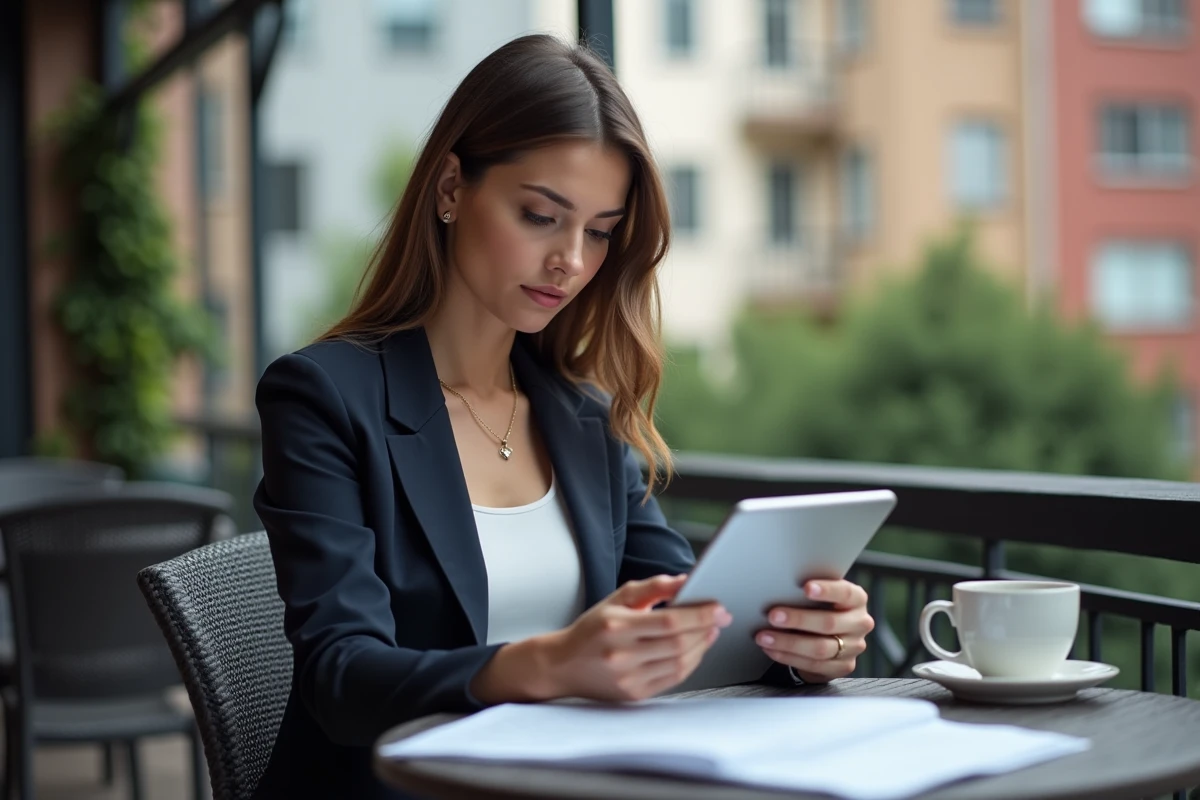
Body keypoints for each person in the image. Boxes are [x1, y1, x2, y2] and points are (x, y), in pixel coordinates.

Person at [251, 33, 875, 799]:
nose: (572, 262)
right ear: (450, 188)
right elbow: (341, 677)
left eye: (601, 232)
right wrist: (550, 662)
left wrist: (795, 640)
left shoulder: (581, 416)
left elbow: (681, 609)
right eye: (541, 215)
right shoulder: (323, 396)